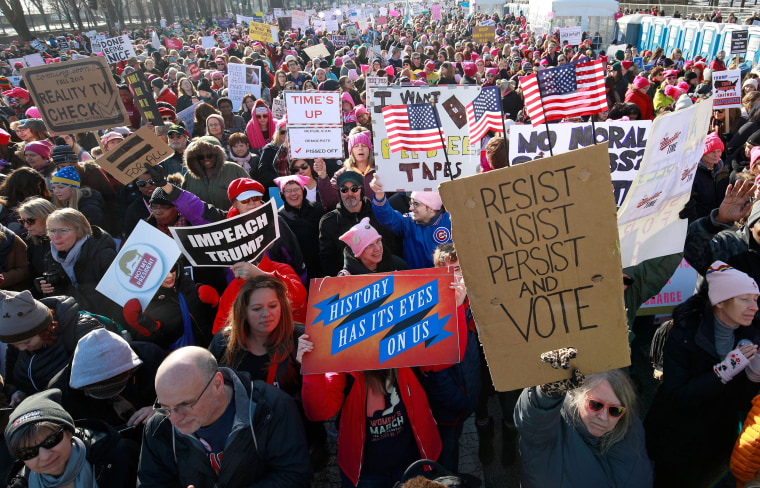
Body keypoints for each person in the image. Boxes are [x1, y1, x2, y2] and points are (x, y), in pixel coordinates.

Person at [645, 261, 760, 487]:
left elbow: (738, 401)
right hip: (676, 437)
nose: (754, 307)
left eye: (755, 299)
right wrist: (722, 372)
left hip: (715, 439)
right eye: (745, 299)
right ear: (720, 303)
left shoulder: (751, 334)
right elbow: (678, 394)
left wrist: (752, 378)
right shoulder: (685, 333)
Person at [137, 346, 311, 488]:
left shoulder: (271, 407)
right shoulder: (158, 427)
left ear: (217, 384)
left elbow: (294, 476)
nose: (174, 420)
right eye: (165, 407)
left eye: (185, 405)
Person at [300, 346, 442, 487]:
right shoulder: (343, 360)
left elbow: (445, 357)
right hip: (366, 474)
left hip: (414, 463)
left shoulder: (410, 345)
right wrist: (313, 368)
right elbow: (319, 412)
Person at [515, 354, 651, 487]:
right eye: (596, 405)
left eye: (614, 410)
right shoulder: (550, 433)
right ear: (576, 398)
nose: (603, 417)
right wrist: (544, 395)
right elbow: (534, 422)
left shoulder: (630, 426)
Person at [5, 389, 139, 488]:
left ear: (69, 432)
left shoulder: (120, 457)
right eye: (28, 453)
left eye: (51, 441)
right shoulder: (20, 483)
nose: (45, 456)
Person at [49, 328, 167, 433]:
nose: (111, 393)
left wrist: (162, 408)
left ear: (131, 370)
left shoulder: (152, 357)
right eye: (101, 389)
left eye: (117, 383)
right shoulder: (60, 395)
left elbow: (183, 390)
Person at [0, 290, 104, 407]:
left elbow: (105, 379)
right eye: (15, 344)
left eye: (27, 342)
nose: (21, 348)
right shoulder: (18, 342)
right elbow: (10, 382)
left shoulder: (79, 332)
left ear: (44, 330)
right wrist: (16, 393)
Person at [40, 208, 117, 318]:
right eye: (52, 231)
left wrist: (67, 289)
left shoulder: (103, 255)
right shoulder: (51, 257)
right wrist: (49, 291)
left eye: (63, 230)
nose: (56, 237)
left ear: (79, 230)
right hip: (73, 318)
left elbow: (111, 300)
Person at [318, 171, 396, 277]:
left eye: (354, 189)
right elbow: (327, 259)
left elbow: (391, 247)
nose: (350, 194)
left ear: (362, 190)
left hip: (382, 279)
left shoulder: (378, 214)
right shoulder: (329, 222)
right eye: (344, 190)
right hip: (348, 284)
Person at [370, 176, 452, 269]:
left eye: (416, 204)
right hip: (417, 280)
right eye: (411, 203)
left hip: (448, 279)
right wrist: (379, 196)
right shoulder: (408, 222)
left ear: (431, 208)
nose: (411, 208)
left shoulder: (451, 222)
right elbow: (387, 217)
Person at [275, 175, 325, 279]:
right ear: (282, 195)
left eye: (296, 189)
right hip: (298, 271)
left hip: (321, 266)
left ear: (303, 191)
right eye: (288, 191)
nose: (293, 193)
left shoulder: (317, 209)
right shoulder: (280, 218)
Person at [180, 136, 249, 210]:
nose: (206, 159)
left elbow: (252, 194)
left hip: (234, 219)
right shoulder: (189, 176)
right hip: (203, 221)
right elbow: (184, 202)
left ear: (218, 155)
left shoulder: (234, 169)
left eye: (210, 155)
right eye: (201, 157)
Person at [315, 127, 376, 207]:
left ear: (369, 150)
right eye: (356, 146)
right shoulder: (341, 174)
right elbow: (329, 200)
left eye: (364, 146)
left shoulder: (379, 172)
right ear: (351, 151)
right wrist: (323, 176)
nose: (360, 149)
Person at [337, 217, 407, 275]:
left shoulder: (398, 265)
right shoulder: (347, 278)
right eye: (370, 245)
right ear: (359, 252)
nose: (377, 248)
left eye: (378, 241)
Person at [17, 197, 55, 288]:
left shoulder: (64, 240)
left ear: (46, 218)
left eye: (30, 221)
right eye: (22, 221)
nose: (25, 226)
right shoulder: (27, 240)